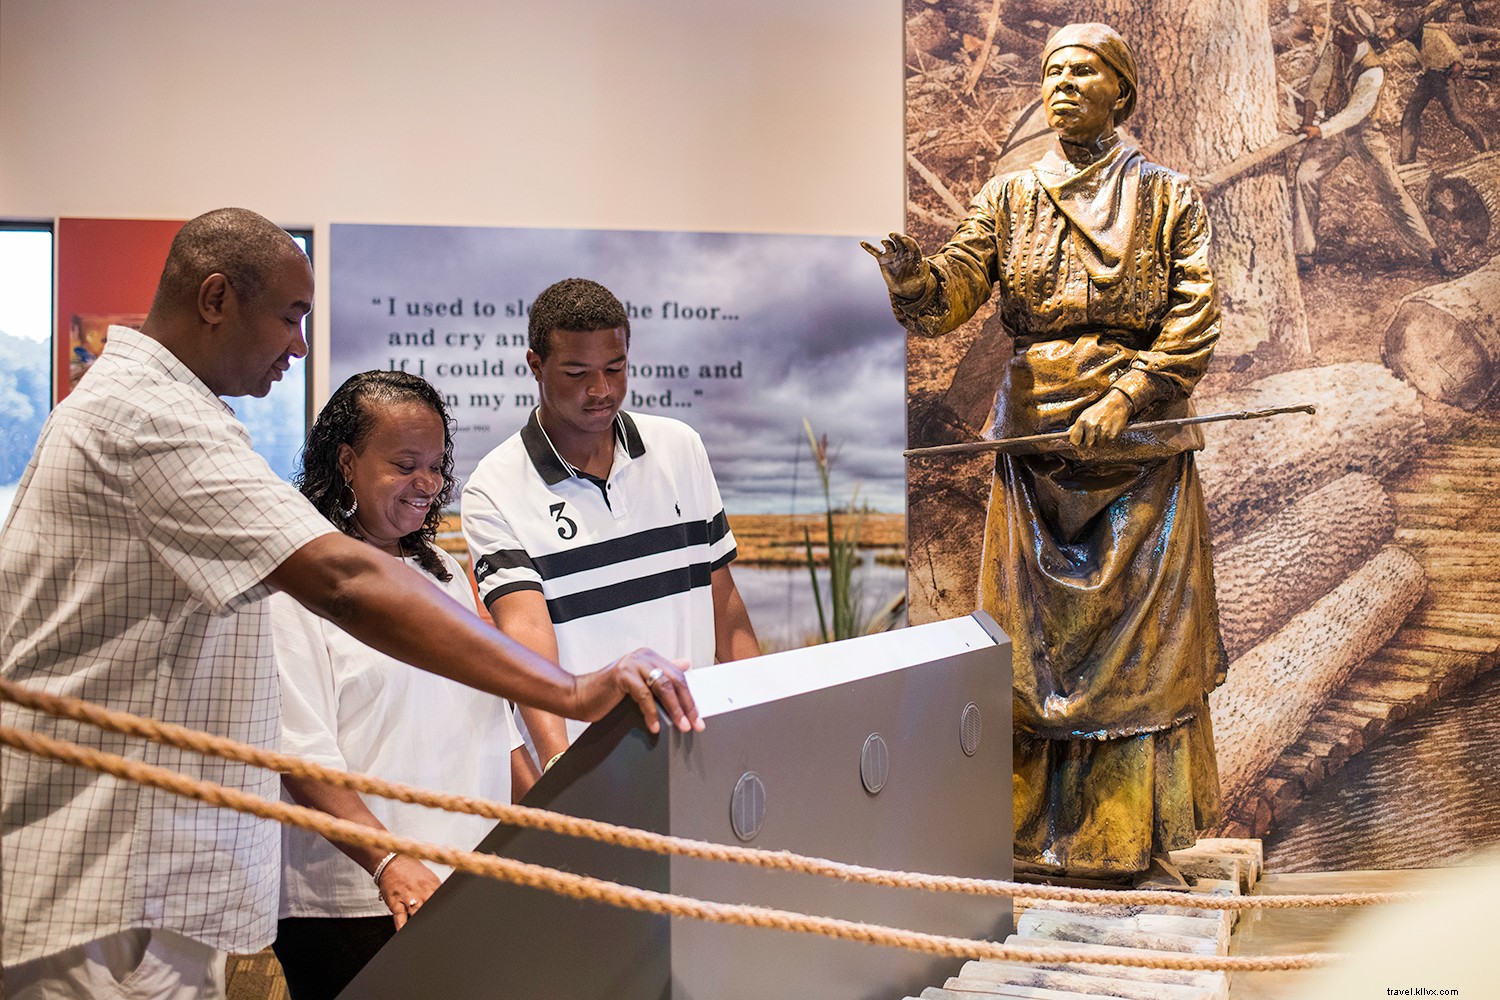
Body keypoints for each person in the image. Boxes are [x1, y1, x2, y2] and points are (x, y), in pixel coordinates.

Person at [0, 209, 699, 1000]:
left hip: (146, 882)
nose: (299, 345)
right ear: (216, 298)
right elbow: (346, 585)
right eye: (291, 316)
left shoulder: (178, 417)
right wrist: (571, 691)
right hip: (105, 887)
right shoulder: (147, 418)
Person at [864, 23, 1227, 888]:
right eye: (1052, 72)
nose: (1061, 85)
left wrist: (1127, 397)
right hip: (1036, 450)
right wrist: (916, 278)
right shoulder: (1009, 198)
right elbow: (951, 299)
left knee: (1141, 656)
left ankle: (1127, 839)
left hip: (1139, 452)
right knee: (1034, 655)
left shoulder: (1170, 196)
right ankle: (1035, 835)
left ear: (1123, 93)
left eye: (1083, 72)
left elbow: (1194, 317)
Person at [270, 371, 537, 1000]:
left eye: (435, 465)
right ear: (346, 462)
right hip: (355, 901)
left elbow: (493, 727)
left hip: (467, 879)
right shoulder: (299, 584)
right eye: (403, 464)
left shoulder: (443, 571)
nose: (427, 484)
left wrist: (552, 829)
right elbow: (297, 754)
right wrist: (390, 861)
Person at [462, 277, 758, 767]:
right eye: (577, 373)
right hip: (594, 765)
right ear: (535, 365)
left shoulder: (680, 447)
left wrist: (763, 717)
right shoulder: (494, 487)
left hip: (700, 743)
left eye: (615, 368)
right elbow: (526, 636)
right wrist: (561, 769)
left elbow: (722, 603)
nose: (600, 390)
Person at [1291, 5, 1447, 273]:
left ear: (1357, 37)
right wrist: (1308, 119)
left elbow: (1356, 112)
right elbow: (1318, 84)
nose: (1336, 29)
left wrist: (1321, 130)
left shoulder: (1373, 70)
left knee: (1393, 192)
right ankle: (1304, 252)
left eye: (1343, 28)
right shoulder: (1333, 50)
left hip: (1363, 133)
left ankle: (1433, 251)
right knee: (1305, 174)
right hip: (1334, 130)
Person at [1391, 13, 1488, 164]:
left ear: (1417, 30)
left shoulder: (1437, 35)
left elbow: (1457, 56)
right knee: (1410, 115)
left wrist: (1457, 65)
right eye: (1405, 36)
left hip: (1444, 77)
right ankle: (1407, 160)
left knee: (1457, 117)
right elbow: (1393, 49)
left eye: (1409, 35)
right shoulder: (1409, 42)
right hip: (1428, 78)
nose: (1408, 38)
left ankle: (1486, 148)